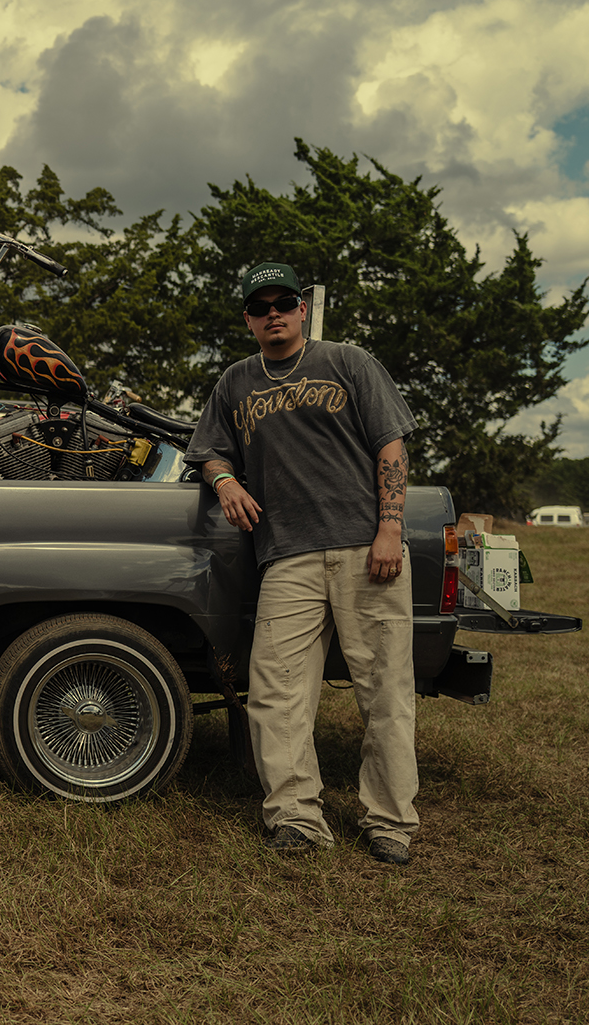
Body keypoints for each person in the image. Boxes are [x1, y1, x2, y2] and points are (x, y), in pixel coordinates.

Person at [186, 261, 419, 866]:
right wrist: (226, 481)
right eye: (260, 306)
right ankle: (296, 816)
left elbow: (390, 443)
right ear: (247, 319)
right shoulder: (235, 382)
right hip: (285, 555)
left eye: (283, 303)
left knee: (384, 690)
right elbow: (208, 452)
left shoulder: (348, 361)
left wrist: (390, 526)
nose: (273, 314)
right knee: (276, 691)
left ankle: (390, 820)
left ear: (302, 309)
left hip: (366, 550)